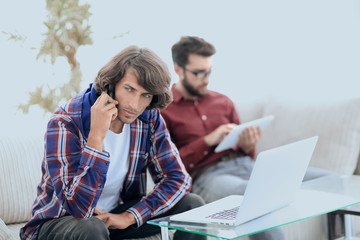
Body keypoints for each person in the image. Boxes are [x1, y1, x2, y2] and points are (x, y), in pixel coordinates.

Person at [20, 46, 206, 240]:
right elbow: (77, 207)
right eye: (129, 89)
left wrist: (129, 216)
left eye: (146, 95)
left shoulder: (148, 117)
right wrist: (96, 137)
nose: (135, 105)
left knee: (192, 205)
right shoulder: (66, 121)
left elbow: (177, 179)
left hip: (114, 217)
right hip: (62, 222)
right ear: (112, 83)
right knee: (92, 227)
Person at [161, 36, 333, 240]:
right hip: (208, 176)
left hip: (245, 165)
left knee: (330, 180)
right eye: (198, 73)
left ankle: (340, 234)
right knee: (252, 196)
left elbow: (249, 154)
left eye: (209, 71)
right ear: (179, 70)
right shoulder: (165, 110)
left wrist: (247, 144)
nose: (206, 79)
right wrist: (207, 141)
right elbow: (168, 166)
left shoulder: (223, 101)